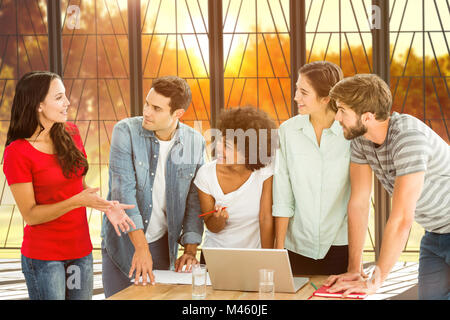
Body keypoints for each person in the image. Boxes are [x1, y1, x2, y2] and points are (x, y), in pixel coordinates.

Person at [2, 71, 135, 300]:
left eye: (65, 96)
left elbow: (78, 187)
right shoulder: (17, 152)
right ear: (39, 105)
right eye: (59, 97)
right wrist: (76, 202)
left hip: (81, 251)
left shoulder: (70, 133)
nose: (67, 102)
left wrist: (105, 206)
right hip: (44, 258)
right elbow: (31, 215)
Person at [324, 73, 450, 300]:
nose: (336, 118)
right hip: (435, 234)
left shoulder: (408, 138)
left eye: (342, 110)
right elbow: (359, 203)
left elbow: (402, 218)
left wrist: (375, 282)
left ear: (368, 117)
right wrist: (355, 268)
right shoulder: (361, 139)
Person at [101, 75, 206, 298]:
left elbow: (194, 202)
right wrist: (141, 248)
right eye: (147, 104)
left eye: (156, 108)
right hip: (123, 242)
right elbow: (123, 193)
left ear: (177, 113)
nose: (147, 112)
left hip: (161, 244)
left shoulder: (195, 142)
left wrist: (189, 250)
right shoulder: (125, 131)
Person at [272, 61, 351, 275]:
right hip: (296, 246)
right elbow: (282, 194)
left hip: (340, 245)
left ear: (326, 98)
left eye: (303, 92)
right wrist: (279, 249)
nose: (296, 97)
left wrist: (356, 262)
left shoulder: (350, 135)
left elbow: (358, 198)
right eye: (297, 89)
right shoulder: (287, 131)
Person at [193, 106, 277, 261]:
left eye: (227, 146)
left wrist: (267, 259)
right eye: (219, 141)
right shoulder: (206, 175)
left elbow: (265, 218)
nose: (218, 148)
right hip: (216, 257)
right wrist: (218, 220)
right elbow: (211, 227)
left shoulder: (265, 172)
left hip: (252, 257)